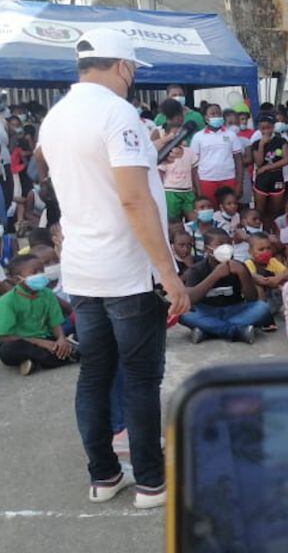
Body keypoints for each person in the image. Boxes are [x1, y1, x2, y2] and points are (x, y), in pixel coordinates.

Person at [38, 28, 190, 509]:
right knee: (141, 377)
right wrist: (168, 273)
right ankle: (150, 482)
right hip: (126, 270)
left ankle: (103, 477)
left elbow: (47, 169)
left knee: (95, 375)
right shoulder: (117, 112)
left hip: (83, 268)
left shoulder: (56, 115)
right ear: (123, 67)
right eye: (132, 71)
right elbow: (132, 197)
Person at [180, 230, 273, 344]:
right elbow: (190, 299)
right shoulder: (197, 269)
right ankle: (237, 331)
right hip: (207, 311)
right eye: (220, 244)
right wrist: (215, 275)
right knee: (182, 314)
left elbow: (252, 298)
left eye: (228, 243)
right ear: (207, 249)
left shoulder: (239, 266)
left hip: (234, 310)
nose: (226, 248)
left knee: (262, 308)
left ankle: (208, 330)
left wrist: (243, 273)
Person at [0, 254, 74, 375]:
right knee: (8, 351)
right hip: (21, 341)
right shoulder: (7, 301)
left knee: (67, 345)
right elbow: (4, 336)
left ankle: (34, 362)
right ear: (17, 279)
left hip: (46, 337)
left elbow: (55, 323)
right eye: (34, 272)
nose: (40, 274)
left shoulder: (47, 294)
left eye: (42, 270)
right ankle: (54, 358)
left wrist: (61, 339)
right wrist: (40, 343)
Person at [190, 104, 243, 208]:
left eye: (219, 113)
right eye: (213, 114)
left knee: (229, 210)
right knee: (209, 210)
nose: (216, 116)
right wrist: (196, 187)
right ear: (206, 117)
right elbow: (193, 164)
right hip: (206, 180)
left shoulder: (231, 135)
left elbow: (238, 160)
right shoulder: (198, 137)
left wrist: (239, 184)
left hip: (228, 178)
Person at [251, 116, 288, 225]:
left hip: (277, 176)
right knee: (260, 208)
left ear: (273, 127)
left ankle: (275, 229)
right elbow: (258, 163)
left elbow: (286, 160)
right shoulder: (256, 143)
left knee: (277, 208)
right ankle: (261, 229)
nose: (265, 131)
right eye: (262, 128)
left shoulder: (281, 141)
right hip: (262, 179)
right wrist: (261, 145)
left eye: (268, 128)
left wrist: (267, 167)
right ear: (259, 128)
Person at [158, 136, 197, 222]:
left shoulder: (190, 152)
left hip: (188, 190)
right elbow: (160, 172)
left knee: (192, 217)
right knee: (173, 220)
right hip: (171, 191)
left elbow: (194, 171)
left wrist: (196, 188)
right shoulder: (166, 153)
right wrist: (161, 192)